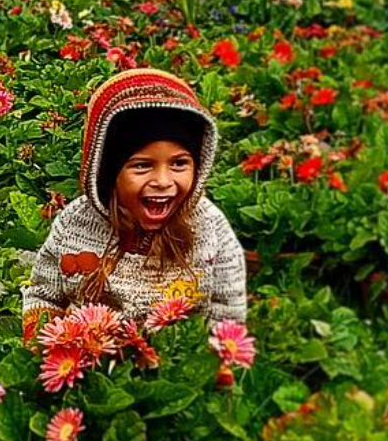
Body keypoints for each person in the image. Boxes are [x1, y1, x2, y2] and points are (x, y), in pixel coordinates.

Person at [21, 68, 247, 340]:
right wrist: (45, 349)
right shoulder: (75, 224)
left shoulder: (209, 227)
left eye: (179, 163)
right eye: (141, 166)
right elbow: (44, 295)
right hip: (91, 357)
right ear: (107, 173)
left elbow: (227, 312)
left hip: (176, 361)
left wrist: (213, 366)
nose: (163, 181)